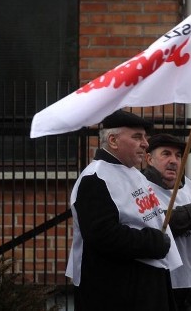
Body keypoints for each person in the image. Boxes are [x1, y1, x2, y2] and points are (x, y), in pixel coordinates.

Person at [66, 110, 182, 311]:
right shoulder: (95, 178)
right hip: (116, 292)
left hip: (144, 286)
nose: (145, 143)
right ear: (113, 140)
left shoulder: (132, 173)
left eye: (144, 137)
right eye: (137, 137)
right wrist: (153, 242)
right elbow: (102, 234)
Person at [142, 133, 191, 311]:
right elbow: (160, 225)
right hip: (159, 295)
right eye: (166, 154)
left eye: (178, 156)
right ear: (149, 158)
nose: (174, 160)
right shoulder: (140, 190)